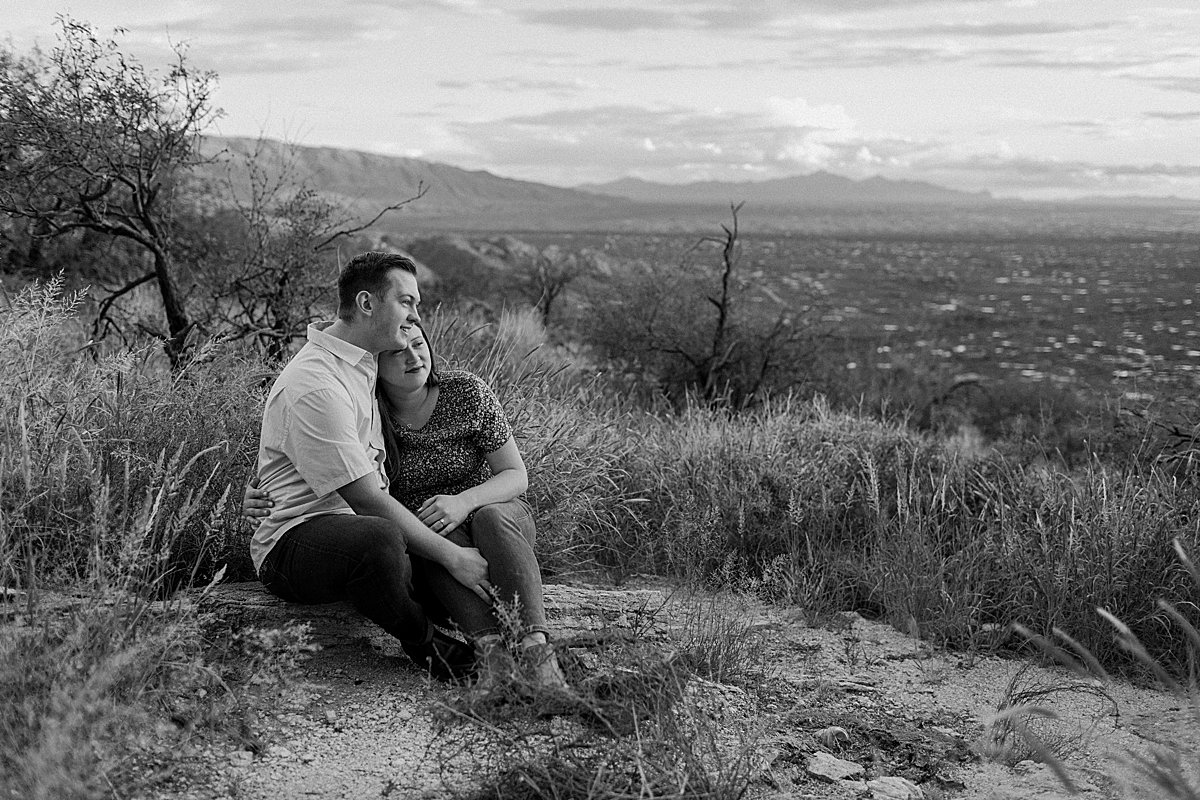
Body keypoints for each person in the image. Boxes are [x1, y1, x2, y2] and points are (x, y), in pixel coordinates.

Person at [248, 262, 568, 693]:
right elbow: (364, 496)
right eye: (406, 302)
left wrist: (464, 506)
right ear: (366, 304)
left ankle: (537, 657)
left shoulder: (362, 364)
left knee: (459, 526)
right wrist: (453, 556)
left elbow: (515, 474)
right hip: (308, 534)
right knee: (400, 539)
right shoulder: (325, 383)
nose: (416, 316)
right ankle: (450, 651)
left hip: (456, 519)